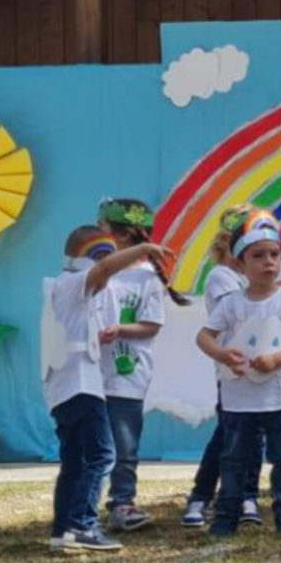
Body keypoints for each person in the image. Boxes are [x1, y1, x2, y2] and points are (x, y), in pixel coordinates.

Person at [42, 227, 173, 553]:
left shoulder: (64, 288)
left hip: (63, 387)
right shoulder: (73, 283)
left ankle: (63, 530)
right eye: (103, 256)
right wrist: (142, 249)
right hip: (81, 385)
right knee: (101, 455)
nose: (110, 268)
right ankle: (82, 525)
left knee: (74, 461)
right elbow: (102, 270)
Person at [195, 210, 281, 537]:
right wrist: (223, 355)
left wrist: (277, 360)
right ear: (240, 263)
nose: (268, 262)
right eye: (258, 256)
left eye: (274, 255)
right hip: (240, 399)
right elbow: (204, 337)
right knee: (234, 459)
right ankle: (226, 516)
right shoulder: (232, 303)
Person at [94, 197, 186, 533]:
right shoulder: (97, 272)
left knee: (125, 444)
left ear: (120, 235)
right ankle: (84, 504)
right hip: (89, 373)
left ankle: (122, 503)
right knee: (91, 445)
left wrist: (119, 330)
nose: (96, 233)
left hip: (127, 376)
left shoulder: (147, 278)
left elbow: (151, 325)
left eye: (102, 227)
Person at [182, 207, 263, 528]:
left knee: (254, 434)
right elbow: (244, 312)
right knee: (229, 434)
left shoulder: (256, 278)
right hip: (233, 369)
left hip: (261, 368)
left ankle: (247, 495)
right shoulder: (221, 277)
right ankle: (201, 495)